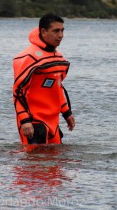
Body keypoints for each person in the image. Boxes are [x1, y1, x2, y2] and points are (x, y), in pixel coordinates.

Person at [13, 14, 75, 145]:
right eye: (56, 31)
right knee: (34, 163)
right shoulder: (28, 57)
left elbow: (57, 89)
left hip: (53, 122)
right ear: (43, 31)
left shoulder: (58, 58)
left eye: (62, 30)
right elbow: (18, 92)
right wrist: (25, 120)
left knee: (57, 163)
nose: (61, 35)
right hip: (33, 122)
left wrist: (67, 113)